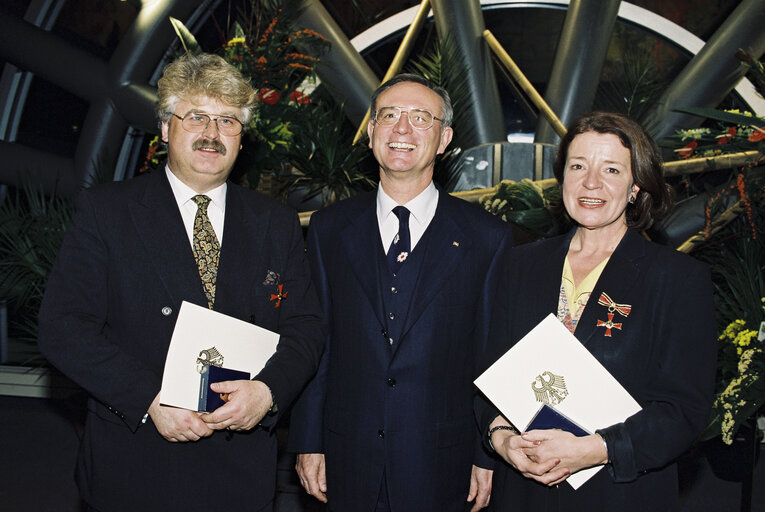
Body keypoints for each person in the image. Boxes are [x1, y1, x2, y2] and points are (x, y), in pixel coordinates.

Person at [37, 52, 324, 512]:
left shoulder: (276, 222)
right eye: (197, 117)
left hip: (240, 472)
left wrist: (268, 393)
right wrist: (149, 398)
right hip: (135, 464)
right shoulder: (108, 212)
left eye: (227, 121)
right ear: (166, 128)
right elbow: (63, 327)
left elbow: (305, 326)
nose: (212, 134)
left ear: (241, 137)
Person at [287, 74, 514, 511]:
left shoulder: (487, 237)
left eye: (420, 118)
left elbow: (491, 354)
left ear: (444, 138)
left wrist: (485, 453)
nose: (402, 129)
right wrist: (308, 439)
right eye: (389, 116)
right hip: (346, 456)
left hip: (442, 460)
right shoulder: (330, 228)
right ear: (371, 132)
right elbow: (319, 341)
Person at [477, 111, 717, 511]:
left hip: (618, 493)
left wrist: (594, 449)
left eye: (611, 169)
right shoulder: (518, 266)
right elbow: (487, 371)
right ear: (563, 177)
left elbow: (683, 411)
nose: (591, 182)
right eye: (578, 166)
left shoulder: (676, 279)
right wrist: (500, 438)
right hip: (522, 492)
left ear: (635, 187)